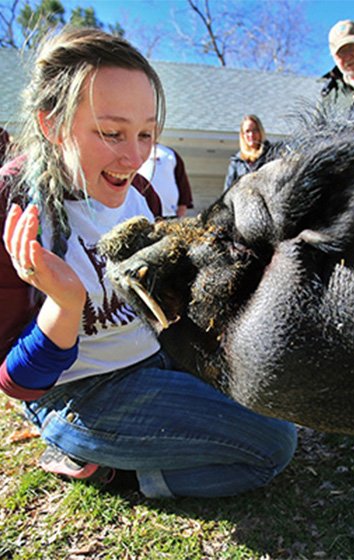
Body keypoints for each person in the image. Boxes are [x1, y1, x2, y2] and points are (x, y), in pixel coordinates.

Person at [0, 28, 296, 498]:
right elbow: (20, 385)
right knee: (273, 446)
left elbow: (162, 304)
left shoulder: (139, 194)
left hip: (153, 357)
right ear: (52, 125)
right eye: (111, 133)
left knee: (276, 400)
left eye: (146, 134)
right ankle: (105, 469)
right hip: (82, 393)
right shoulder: (16, 206)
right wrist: (65, 303)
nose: (135, 157)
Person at [139, 143, 193, 218]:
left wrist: (182, 207)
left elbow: (182, 182)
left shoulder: (169, 154)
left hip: (169, 213)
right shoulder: (134, 152)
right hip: (140, 214)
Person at [224, 114, 272, 192]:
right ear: (242, 135)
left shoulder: (271, 155)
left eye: (255, 130)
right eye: (247, 131)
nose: (251, 134)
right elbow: (227, 195)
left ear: (260, 132)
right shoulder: (236, 162)